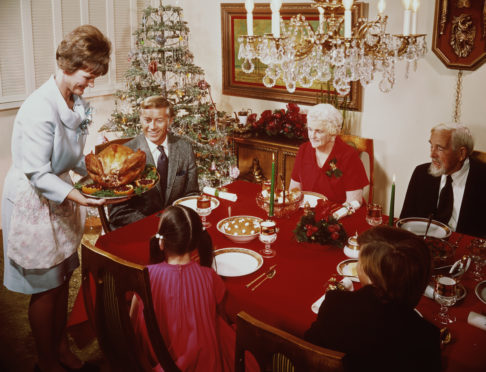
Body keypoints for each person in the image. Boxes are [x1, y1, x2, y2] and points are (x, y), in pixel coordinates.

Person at [1, 25, 113, 372]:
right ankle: (46, 359)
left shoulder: (75, 101)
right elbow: (37, 171)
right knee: (45, 286)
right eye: (88, 74)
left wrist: (94, 171)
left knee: (65, 274)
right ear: (68, 64)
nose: (91, 83)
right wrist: (80, 196)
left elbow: (70, 156)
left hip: (60, 195)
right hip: (35, 199)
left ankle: (61, 346)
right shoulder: (38, 108)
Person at [130, 205, 259, 372]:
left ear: (161, 242)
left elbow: (132, 322)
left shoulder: (145, 275)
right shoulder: (209, 276)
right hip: (205, 361)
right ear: (195, 243)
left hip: (156, 360)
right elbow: (219, 317)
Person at [304, 226, 441, 372]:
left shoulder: (335, 304)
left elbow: (309, 348)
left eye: (359, 262)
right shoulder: (427, 336)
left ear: (372, 274)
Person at [108, 96, 199, 230]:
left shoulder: (184, 148)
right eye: (147, 120)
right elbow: (118, 213)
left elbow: (192, 194)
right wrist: (157, 225)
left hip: (175, 229)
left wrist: (176, 222)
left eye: (159, 120)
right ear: (140, 120)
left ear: (170, 121)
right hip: (137, 230)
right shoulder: (124, 154)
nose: (152, 127)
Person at [400, 123, 486, 237]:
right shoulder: (421, 173)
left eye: (440, 148)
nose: (432, 154)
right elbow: (406, 220)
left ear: (461, 153)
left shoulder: (482, 178)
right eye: (431, 146)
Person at [289, 103, 368, 206]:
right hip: (308, 213)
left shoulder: (349, 156)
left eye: (319, 131)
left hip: (339, 216)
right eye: (310, 129)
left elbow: (354, 202)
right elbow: (294, 191)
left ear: (332, 132)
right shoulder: (303, 150)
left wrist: (333, 216)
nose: (312, 136)